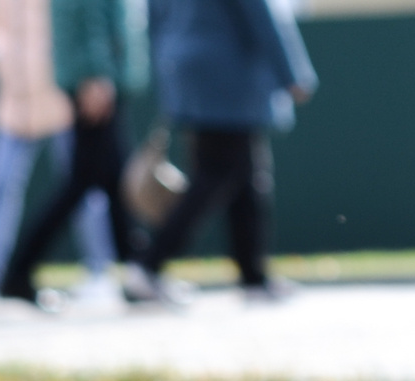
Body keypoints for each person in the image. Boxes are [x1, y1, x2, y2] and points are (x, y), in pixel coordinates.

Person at [126, 0, 316, 306]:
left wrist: (171, 76)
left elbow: (155, 19)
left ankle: (253, 275)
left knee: (246, 175)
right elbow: (261, 14)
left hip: (186, 70)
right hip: (228, 74)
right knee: (216, 174)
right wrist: (293, 74)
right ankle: (148, 265)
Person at [0, 0, 152, 302]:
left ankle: (139, 267)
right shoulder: (94, 74)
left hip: (95, 77)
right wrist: (96, 75)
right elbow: (91, 14)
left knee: (111, 177)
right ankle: (18, 270)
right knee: (83, 181)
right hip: (96, 81)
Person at [0, 0, 75, 293]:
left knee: (81, 188)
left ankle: (101, 268)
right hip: (12, 104)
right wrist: (0, 59)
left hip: (60, 101)